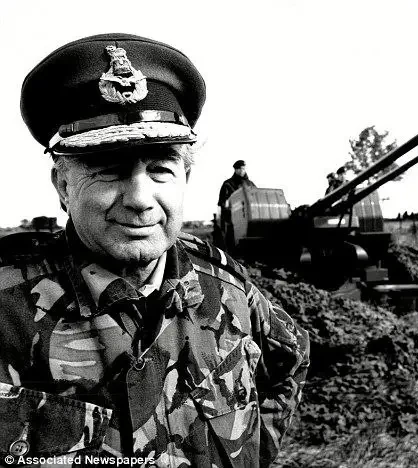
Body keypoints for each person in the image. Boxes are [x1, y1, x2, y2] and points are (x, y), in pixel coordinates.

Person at [1, 33, 309, 467]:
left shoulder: (227, 289)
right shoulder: (6, 307)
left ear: (185, 180)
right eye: (109, 171)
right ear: (63, 185)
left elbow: (291, 357)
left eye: (161, 169)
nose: (141, 199)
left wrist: (253, 453)